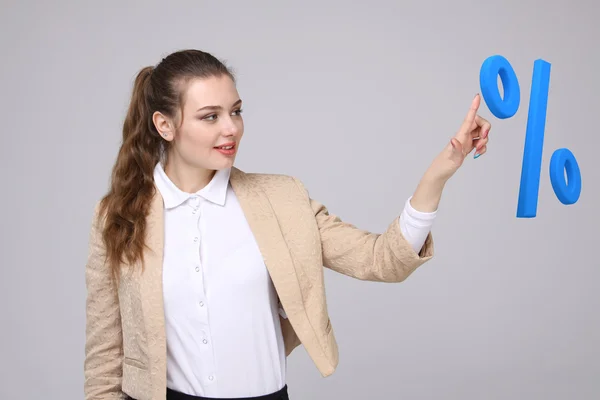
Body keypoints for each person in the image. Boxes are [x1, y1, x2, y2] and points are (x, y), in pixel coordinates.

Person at [84, 49, 491, 400]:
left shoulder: (283, 199)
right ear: (164, 125)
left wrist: (441, 171)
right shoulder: (118, 215)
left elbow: (381, 259)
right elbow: (105, 355)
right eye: (210, 116)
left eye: (236, 111)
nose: (231, 128)